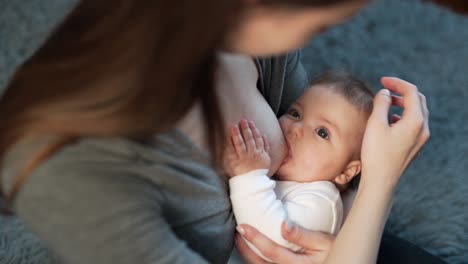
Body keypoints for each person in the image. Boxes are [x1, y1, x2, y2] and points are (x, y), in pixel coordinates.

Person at [0, 0, 437, 263]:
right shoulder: (71, 178)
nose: (294, 126)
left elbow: (333, 172)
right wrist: (380, 183)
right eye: (320, 23)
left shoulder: (254, 51)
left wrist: (354, 223)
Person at [225, 71, 373, 261]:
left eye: (322, 133)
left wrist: (249, 176)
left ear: (346, 171)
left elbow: (273, 238)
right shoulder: (285, 175)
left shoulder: (322, 203)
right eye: (296, 114)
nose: (296, 129)